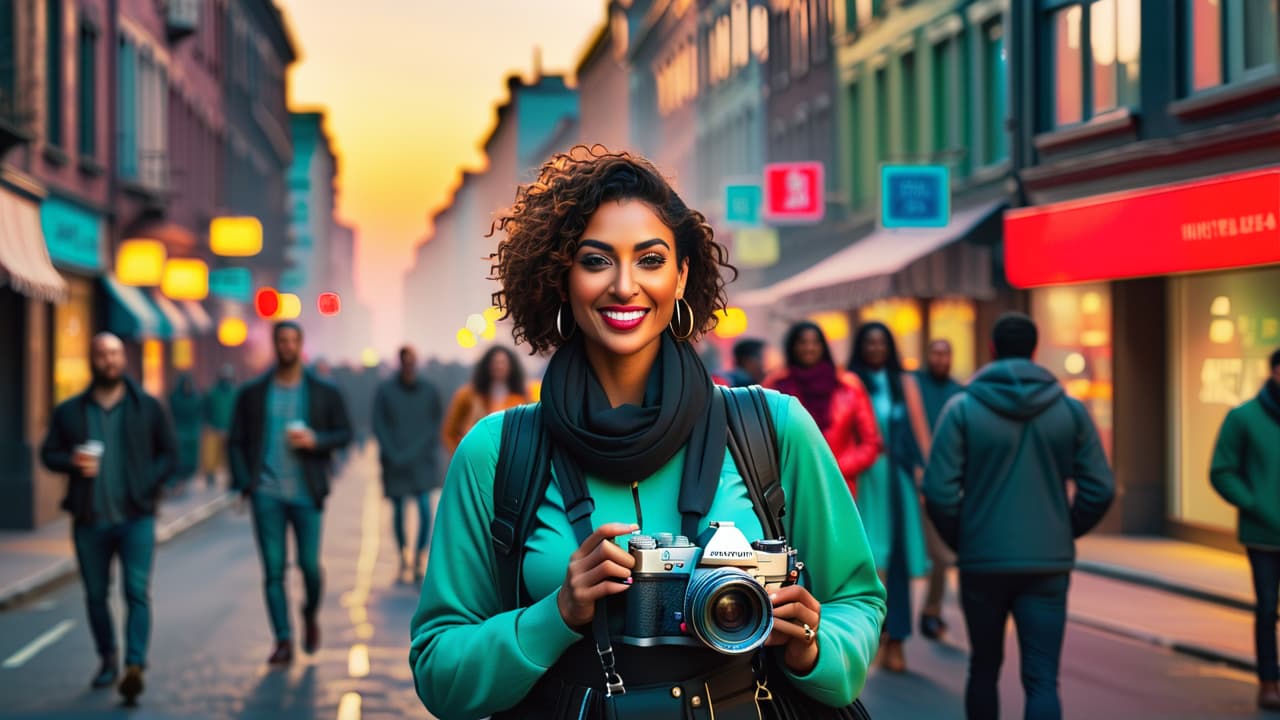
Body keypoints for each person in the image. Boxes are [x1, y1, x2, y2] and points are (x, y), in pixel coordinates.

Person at [408, 147, 886, 719]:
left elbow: (857, 602)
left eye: (651, 260)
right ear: (561, 279)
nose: (625, 285)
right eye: (596, 261)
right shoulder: (497, 450)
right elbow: (439, 671)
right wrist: (556, 613)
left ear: (682, 275)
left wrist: (811, 647)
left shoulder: (773, 428)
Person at [923, 313, 1114, 720]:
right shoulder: (1070, 410)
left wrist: (966, 536)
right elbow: (1100, 487)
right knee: (1043, 679)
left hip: (982, 559)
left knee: (984, 669)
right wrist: (1064, 528)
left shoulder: (962, 408)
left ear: (991, 349)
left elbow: (938, 491)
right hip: (1047, 561)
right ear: (1035, 348)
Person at [40, 332, 177, 706]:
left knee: (136, 592)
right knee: (96, 596)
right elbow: (48, 453)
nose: (109, 361)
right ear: (91, 360)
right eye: (102, 354)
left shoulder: (147, 407)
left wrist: (148, 482)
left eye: (115, 354)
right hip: (90, 519)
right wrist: (71, 461)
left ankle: (134, 665)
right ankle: (107, 658)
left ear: (124, 359)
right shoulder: (70, 412)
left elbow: (170, 453)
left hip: (136, 518)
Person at [228, 321, 353, 667]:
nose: (286, 346)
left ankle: (309, 613)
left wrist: (317, 440)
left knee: (310, 567)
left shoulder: (322, 391)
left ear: (300, 345)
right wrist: (243, 483)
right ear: (274, 345)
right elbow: (236, 440)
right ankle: (282, 638)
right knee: (272, 570)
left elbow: (344, 432)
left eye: (292, 341)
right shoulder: (253, 393)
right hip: (266, 493)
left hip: (306, 493)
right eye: (280, 340)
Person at [848, 320, 932, 673]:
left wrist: (927, 478)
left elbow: (920, 432)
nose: (876, 348)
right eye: (869, 342)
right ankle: (869, 639)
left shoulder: (905, 383)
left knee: (896, 562)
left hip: (896, 484)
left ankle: (896, 640)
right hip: (862, 480)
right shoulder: (850, 382)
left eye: (882, 342)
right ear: (861, 347)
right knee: (863, 562)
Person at [1211, 347, 1280, 711]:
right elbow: (1222, 471)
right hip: (1263, 536)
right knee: (1268, 609)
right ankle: (1269, 682)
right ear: (1275, 373)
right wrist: (1254, 504)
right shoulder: (1244, 418)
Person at [765, 322, 882, 497]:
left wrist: (833, 468)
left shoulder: (848, 386)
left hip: (839, 484)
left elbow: (871, 444)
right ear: (792, 346)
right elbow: (763, 438)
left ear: (823, 346)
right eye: (803, 342)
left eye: (815, 342)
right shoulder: (774, 386)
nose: (809, 348)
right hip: (791, 485)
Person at [373, 345, 445, 583]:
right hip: (396, 462)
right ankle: (404, 556)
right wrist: (392, 452)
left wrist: (417, 449)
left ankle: (418, 556)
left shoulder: (429, 390)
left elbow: (436, 423)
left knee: (425, 510)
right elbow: (379, 423)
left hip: (420, 461)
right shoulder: (386, 391)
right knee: (398, 511)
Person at [914, 339, 964, 642]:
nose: (940, 358)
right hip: (912, 483)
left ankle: (931, 612)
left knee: (941, 555)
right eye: (935, 352)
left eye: (946, 353)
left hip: (945, 487)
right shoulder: (913, 388)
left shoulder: (959, 393)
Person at [441, 345, 529, 455]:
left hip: (509, 460)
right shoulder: (468, 395)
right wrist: (460, 455)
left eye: (503, 362)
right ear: (487, 365)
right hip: (476, 456)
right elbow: (449, 431)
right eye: (496, 362)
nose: (499, 367)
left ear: (511, 366)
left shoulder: (522, 397)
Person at [167, 373, 203, 493]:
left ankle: (185, 481)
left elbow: (199, 413)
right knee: (179, 459)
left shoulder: (196, 398)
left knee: (191, 461)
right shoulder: (175, 398)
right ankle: (178, 483)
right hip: (179, 433)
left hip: (192, 433)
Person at [203, 365, 238, 488]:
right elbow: (206, 409)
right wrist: (208, 424)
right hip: (214, 428)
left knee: (230, 455)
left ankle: (232, 476)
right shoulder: (212, 393)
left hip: (230, 428)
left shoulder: (235, 392)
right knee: (211, 455)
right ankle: (210, 476)